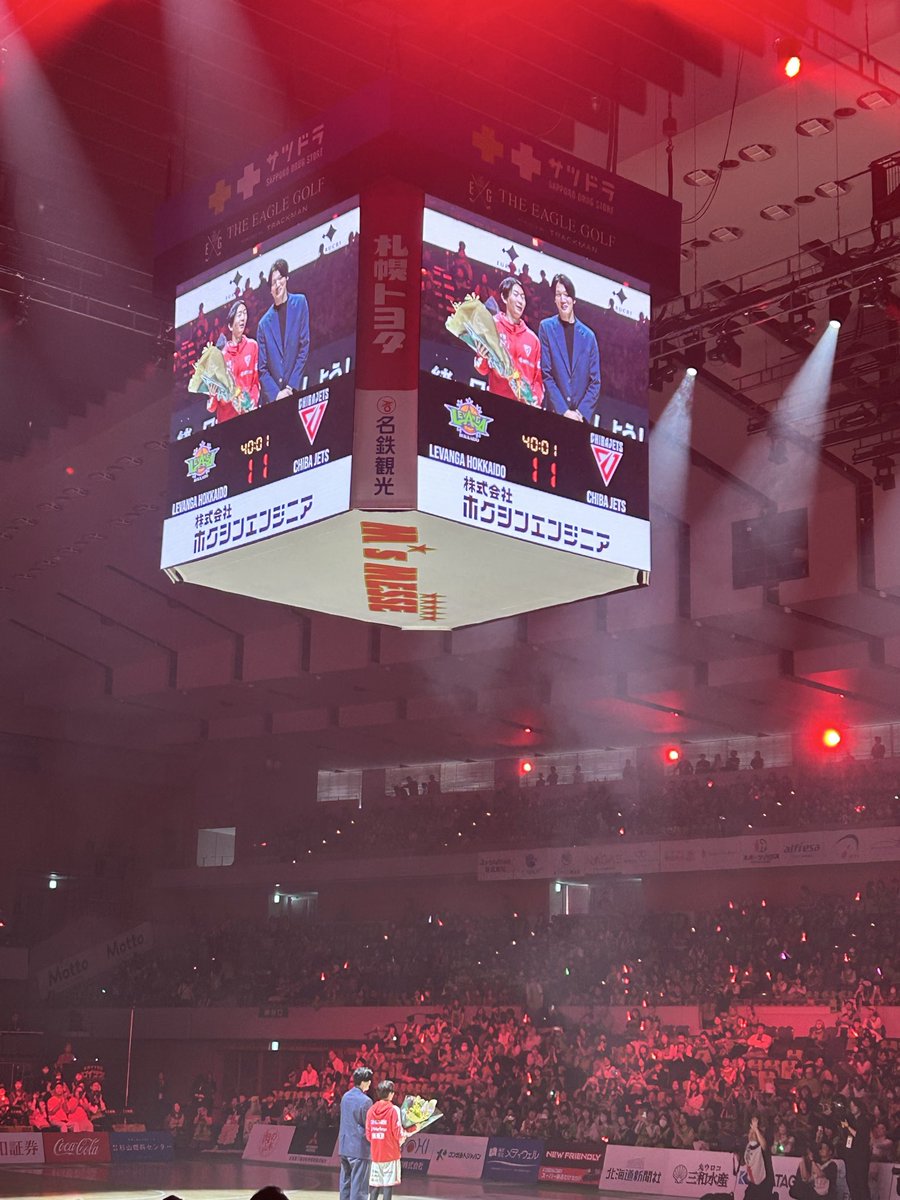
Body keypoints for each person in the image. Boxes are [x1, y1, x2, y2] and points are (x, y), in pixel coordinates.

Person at [538, 273, 601, 422]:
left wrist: (579, 414)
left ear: (573, 299)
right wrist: (564, 411)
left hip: (580, 420)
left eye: (566, 295)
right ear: (554, 299)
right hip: (554, 413)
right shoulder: (546, 328)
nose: (562, 299)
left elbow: (595, 382)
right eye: (558, 294)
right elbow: (546, 374)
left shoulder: (589, 337)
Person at [474, 276, 543, 407]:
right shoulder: (492, 326)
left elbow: (538, 380)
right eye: (516, 295)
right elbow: (482, 369)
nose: (520, 300)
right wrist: (482, 356)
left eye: (523, 297)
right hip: (496, 405)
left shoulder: (533, 340)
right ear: (505, 298)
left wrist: (535, 398)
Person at [257, 258, 310, 405]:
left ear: (286, 278)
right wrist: (277, 394)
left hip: (296, 390)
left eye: (280, 278)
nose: (277, 284)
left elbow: (304, 346)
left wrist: (290, 387)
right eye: (273, 282)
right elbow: (262, 368)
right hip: (275, 400)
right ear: (270, 289)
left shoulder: (300, 303)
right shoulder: (263, 324)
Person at [209, 299, 259, 421]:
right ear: (230, 326)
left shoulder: (252, 346)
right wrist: (215, 395)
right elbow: (212, 406)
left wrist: (251, 403)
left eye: (245, 313)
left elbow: (256, 382)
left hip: (249, 416)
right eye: (239, 314)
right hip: (227, 424)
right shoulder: (221, 356)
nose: (243, 318)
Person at [365, 1079, 410, 1200]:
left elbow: (368, 1135)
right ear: (390, 1093)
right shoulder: (394, 1110)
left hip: (376, 1155)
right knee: (388, 1187)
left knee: (374, 1186)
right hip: (391, 1155)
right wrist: (407, 1134)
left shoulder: (371, 1110)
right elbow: (398, 1133)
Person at [339, 1066, 373, 1200]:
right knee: (359, 1188)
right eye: (369, 1080)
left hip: (344, 1146)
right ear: (364, 1081)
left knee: (345, 1185)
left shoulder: (345, 1097)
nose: (370, 1083)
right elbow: (368, 1125)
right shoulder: (366, 1101)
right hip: (359, 1148)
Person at [840, 1098, 871, 1200]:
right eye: (851, 1106)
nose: (852, 1108)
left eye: (854, 1106)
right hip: (851, 1155)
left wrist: (848, 1127)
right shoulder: (852, 1120)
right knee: (852, 1182)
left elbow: (860, 1136)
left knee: (861, 1183)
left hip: (861, 1156)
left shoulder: (864, 1120)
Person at [742, 1115, 774, 1200]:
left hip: (764, 1182)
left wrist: (756, 1129)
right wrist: (753, 1129)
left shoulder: (761, 1148)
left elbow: (764, 1145)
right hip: (753, 1182)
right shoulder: (749, 1146)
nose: (751, 1133)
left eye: (753, 1133)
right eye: (750, 1132)